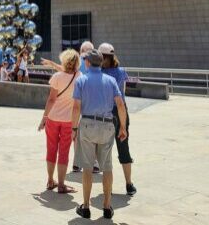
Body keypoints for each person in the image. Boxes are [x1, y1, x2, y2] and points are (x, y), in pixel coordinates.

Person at [71, 48, 127, 220]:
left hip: (87, 124)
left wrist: (74, 128)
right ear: (101, 62)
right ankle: (107, 207)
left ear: (87, 62)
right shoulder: (110, 80)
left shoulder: (82, 80)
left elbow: (76, 107)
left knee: (87, 167)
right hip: (107, 126)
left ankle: (86, 207)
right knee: (107, 167)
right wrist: (123, 127)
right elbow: (120, 104)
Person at [38, 48, 80, 193]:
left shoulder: (56, 77)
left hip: (53, 118)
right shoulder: (79, 77)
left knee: (51, 149)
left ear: (64, 60)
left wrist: (44, 118)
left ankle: (50, 181)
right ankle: (61, 184)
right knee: (64, 152)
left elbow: (51, 100)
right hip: (69, 121)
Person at [99, 43, 136, 196]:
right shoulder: (121, 71)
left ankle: (109, 187)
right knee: (123, 146)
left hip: (106, 112)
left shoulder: (99, 72)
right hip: (121, 111)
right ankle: (129, 184)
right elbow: (123, 93)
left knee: (105, 149)